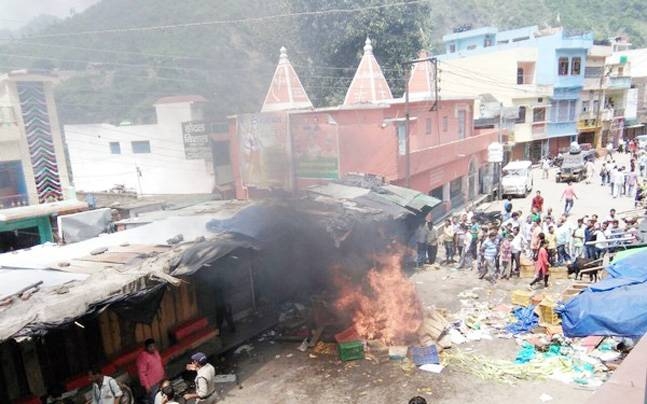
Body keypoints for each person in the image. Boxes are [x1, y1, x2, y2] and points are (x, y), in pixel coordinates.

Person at [137, 338, 166, 403]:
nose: (152, 348)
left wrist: (163, 375)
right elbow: (142, 372)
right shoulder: (143, 356)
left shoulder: (156, 352)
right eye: (150, 347)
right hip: (152, 384)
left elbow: (160, 364)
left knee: (162, 397)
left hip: (160, 380)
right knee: (154, 399)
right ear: (146, 347)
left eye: (153, 346)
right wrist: (147, 386)